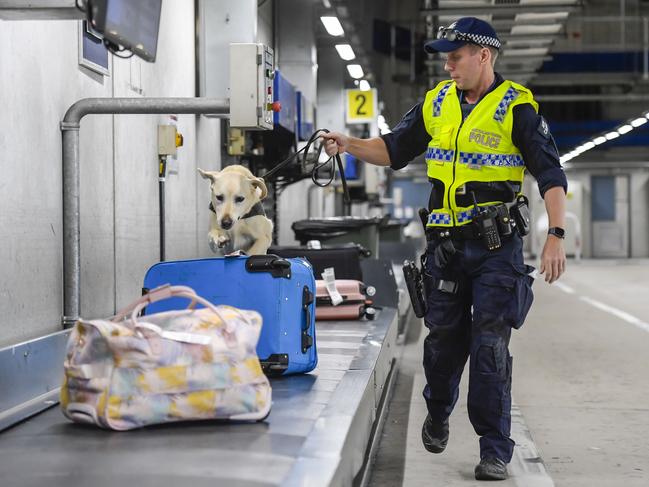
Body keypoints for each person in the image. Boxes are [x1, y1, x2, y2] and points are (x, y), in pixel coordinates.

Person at [322, 17, 567, 481]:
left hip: (498, 250)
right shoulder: (435, 104)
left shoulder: (517, 108)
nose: (448, 66)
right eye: (445, 57)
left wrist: (556, 235)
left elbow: (551, 175)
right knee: (441, 346)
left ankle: (494, 448)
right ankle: (438, 410)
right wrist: (347, 144)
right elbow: (393, 149)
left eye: (455, 57)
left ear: (484, 56)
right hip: (447, 250)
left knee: (491, 346)